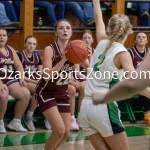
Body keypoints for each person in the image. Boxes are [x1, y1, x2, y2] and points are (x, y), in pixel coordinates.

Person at [78, 0, 136, 149]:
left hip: (85, 107)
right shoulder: (122, 53)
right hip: (103, 108)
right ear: (129, 31)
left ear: (110, 28)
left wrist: (96, 2)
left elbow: (98, 18)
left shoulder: (101, 42)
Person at [35, 19, 74, 150]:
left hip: (62, 93)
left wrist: (91, 56)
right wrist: (62, 60)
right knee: (59, 130)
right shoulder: (49, 49)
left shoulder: (75, 49)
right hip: (46, 92)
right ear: (56, 32)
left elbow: (89, 67)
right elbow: (46, 75)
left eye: (68, 28)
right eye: (61, 28)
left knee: (66, 133)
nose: (65, 30)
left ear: (71, 32)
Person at [17, 36, 51, 131]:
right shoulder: (20, 55)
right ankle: (28, 116)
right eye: (29, 43)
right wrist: (36, 81)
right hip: (24, 81)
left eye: (34, 44)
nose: (32, 46)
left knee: (51, 88)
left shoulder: (37, 56)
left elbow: (40, 73)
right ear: (25, 44)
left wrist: (43, 80)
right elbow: (20, 74)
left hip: (35, 81)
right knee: (40, 89)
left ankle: (48, 116)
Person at [0, 28, 30, 133]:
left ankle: (15, 122)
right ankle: (0, 122)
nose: (1, 37)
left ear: (7, 37)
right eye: (0, 35)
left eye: (4, 35)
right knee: (3, 95)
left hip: (9, 78)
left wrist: (21, 77)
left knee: (25, 94)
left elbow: (18, 65)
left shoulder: (10, 49)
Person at [128, 32, 150, 124]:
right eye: (139, 37)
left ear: (147, 41)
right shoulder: (130, 53)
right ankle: (147, 114)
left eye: (143, 37)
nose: (141, 39)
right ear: (135, 40)